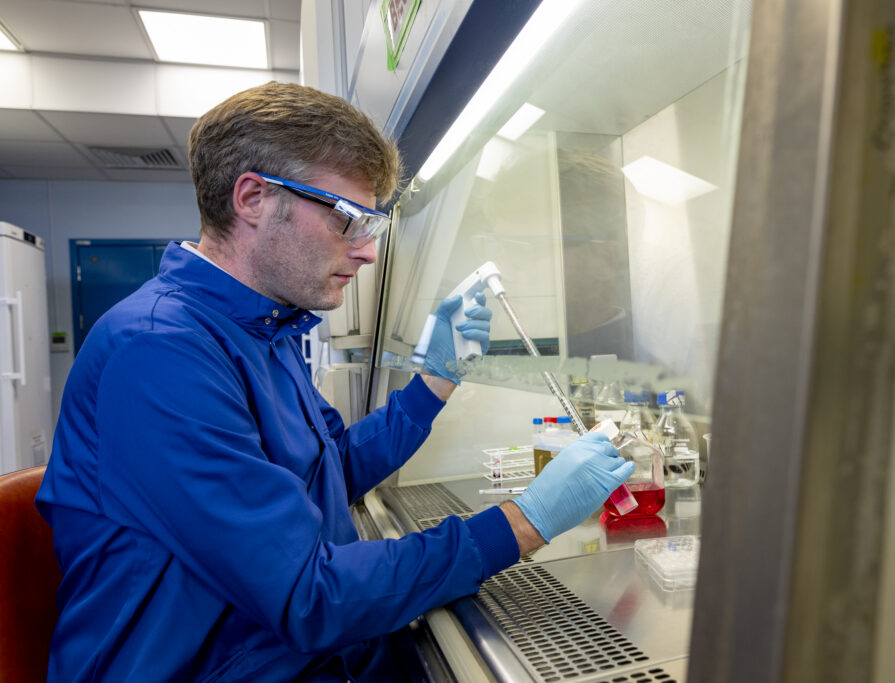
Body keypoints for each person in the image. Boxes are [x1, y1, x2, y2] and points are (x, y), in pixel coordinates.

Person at [35, 81, 633, 682]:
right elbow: (308, 596)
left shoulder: (265, 327)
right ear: (254, 198)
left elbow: (331, 469)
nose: (368, 251)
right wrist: (525, 521)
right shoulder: (161, 352)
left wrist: (435, 381)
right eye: (347, 219)